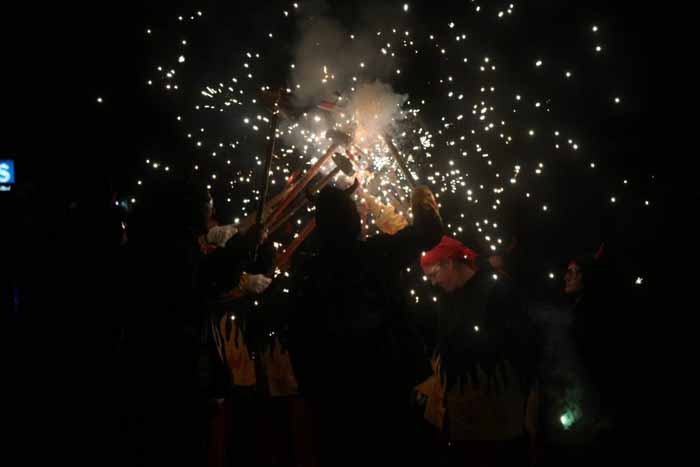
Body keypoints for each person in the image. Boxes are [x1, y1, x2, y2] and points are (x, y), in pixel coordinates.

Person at [287, 180, 443, 466]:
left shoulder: (306, 273)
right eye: (353, 211)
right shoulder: (375, 254)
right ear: (351, 218)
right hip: (385, 391)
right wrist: (421, 198)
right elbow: (430, 231)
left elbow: (299, 341)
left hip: (334, 400)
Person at [418, 236, 539, 467]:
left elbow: (527, 352)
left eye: (434, 275)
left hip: (498, 427)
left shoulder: (497, 293)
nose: (433, 283)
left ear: (449, 263)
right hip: (463, 427)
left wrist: (529, 413)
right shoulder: (447, 298)